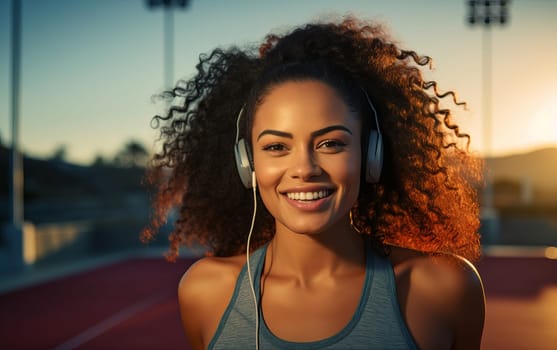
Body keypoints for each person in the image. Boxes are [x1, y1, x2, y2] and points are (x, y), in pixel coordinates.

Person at [142, 16, 485, 350]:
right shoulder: (204, 291)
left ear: (371, 154)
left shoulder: (444, 289)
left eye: (331, 143)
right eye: (277, 147)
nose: (304, 169)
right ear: (247, 164)